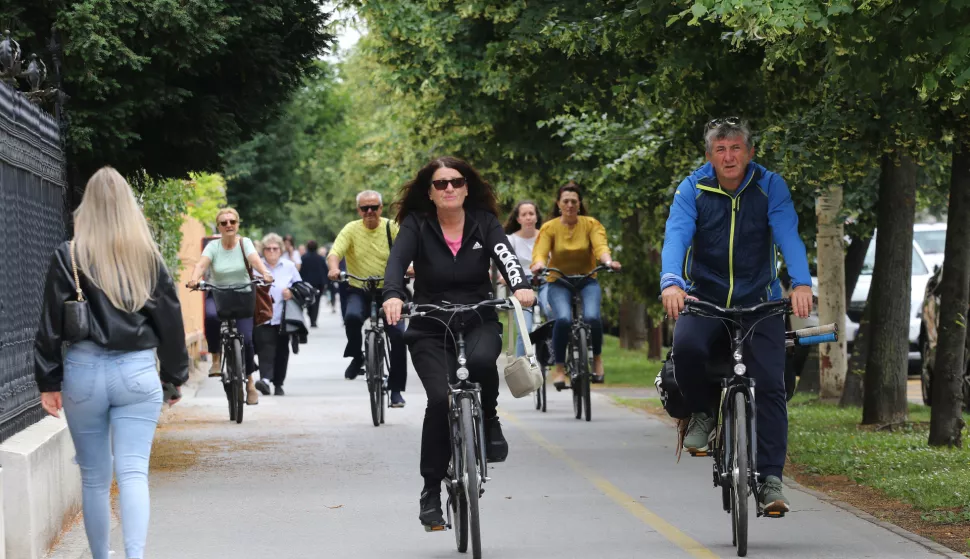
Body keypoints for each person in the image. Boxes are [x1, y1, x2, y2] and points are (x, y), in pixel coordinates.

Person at [660, 117, 813, 514]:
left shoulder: (769, 185)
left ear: (749, 152)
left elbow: (788, 234)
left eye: (736, 148)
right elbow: (676, 234)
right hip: (705, 298)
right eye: (721, 149)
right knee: (687, 348)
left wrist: (800, 283)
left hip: (759, 301)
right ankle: (704, 412)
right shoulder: (692, 189)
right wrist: (672, 282)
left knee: (773, 384)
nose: (729, 156)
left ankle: (770, 480)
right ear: (709, 155)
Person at [34, 166, 188, 559]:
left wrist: (48, 381)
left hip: (83, 373)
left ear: (87, 207)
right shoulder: (147, 258)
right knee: (134, 472)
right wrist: (173, 377)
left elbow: (51, 322)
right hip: (136, 372)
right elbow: (170, 321)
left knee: (94, 479)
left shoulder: (69, 255)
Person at [382, 156, 535, 531]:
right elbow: (397, 262)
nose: (448, 188)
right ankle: (431, 492)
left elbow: (507, 258)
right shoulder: (416, 225)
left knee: (483, 362)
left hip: (477, 316)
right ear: (430, 193)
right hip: (431, 325)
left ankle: (489, 418)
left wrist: (520, 286)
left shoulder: (485, 223)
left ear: (467, 188)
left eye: (456, 181)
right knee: (439, 400)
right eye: (440, 184)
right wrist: (393, 294)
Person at [531, 183, 621, 388]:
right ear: (558, 204)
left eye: (574, 201)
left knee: (592, 317)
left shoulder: (590, 224)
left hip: (586, 279)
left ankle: (597, 359)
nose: (570, 205)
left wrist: (608, 262)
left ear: (579, 204)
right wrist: (538, 265)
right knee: (562, 319)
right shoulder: (550, 227)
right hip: (559, 281)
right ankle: (560, 369)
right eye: (566, 201)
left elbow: (600, 247)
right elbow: (541, 253)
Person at [327, 190, 409, 408]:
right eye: (365, 208)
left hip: (390, 290)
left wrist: (412, 267)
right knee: (352, 317)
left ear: (381, 208)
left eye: (374, 207)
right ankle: (357, 355)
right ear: (359, 210)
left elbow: (410, 251)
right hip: (358, 287)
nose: (370, 211)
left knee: (399, 336)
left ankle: (396, 390)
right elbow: (335, 252)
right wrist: (334, 268)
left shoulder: (393, 227)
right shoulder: (351, 229)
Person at [187, 207, 274, 405]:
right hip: (218, 294)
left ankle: (250, 383)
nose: (228, 225)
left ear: (237, 224)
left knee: (248, 340)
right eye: (224, 222)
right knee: (210, 316)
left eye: (232, 222)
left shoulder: (245, 243)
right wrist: (194, 278)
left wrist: (265, 273)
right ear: (218, 226)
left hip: (243, 295)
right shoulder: (213, 247)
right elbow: (202, 264)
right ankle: (216, 359)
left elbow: (254, 260)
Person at [254, 233, 303, 396]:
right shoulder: (257, 266)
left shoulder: (289, 266)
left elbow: (300, 287)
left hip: (283, 317)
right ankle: (266, 379)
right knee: (265, 347)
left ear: (281, 250)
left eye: (275, 248)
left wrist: (291, 292)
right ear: (263, 250)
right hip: (263, 315)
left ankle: (279, 383)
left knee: (282, 350)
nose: (272, 251)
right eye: (268, 249)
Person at [503, 200, 544, 356]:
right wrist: (503, 277)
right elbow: (505, 264)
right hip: (522, 286)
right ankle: (522, 366)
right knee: (524, 329)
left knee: (554, 314)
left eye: (531, 214)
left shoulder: (545, 236)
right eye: (524, 214)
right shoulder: (511, 240)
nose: (528, 217)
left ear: (536, 217)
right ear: (518, 219)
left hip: (545, 282)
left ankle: (552, 355)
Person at [300, 239, 327, 327]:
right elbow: (325, 270)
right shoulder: (321, 258)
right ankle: (313, 320)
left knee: (308, 301)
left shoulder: (303, 258)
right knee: (316, 302)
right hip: (318, 284)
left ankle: (311, 316)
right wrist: (325, 283)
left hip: (306, 284)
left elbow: (301, 271)